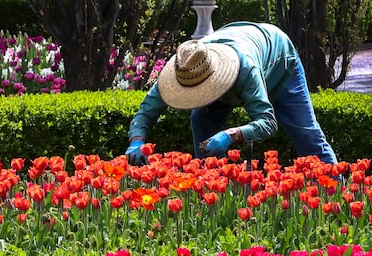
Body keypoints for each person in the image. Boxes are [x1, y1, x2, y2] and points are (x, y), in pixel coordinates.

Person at [125, 21, 338, 166]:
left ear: (214, 81)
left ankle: (334, 190)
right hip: (239, 51)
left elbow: (267, 122)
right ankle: (210, 189)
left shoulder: (245, 70)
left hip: (279, 62)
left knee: (307, 135)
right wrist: (136, 141)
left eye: (202, 91)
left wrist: (232, 134)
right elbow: (145, 112)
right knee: (201, 119)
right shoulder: (182, 69)